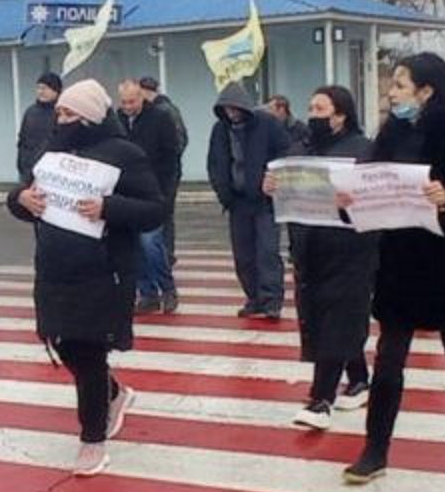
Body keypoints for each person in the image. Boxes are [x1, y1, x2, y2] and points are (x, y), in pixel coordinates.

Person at [343, 52, 445, 484]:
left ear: (426, 90)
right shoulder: (389, 134)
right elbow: (367, 188)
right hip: (399, 262)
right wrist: (347, 201)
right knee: (388, 359)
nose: (391, 93)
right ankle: (375, 450)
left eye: (399, 85)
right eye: (392, 85)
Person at [8, 79, 165, 476]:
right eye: (59, 112)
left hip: (102, 269)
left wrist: (109, 207)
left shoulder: (124, 154)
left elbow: (153, 209)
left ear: (91, 117)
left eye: (69, 113)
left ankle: (92, 439)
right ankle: (114, 393)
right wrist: (19, 200)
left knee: (89, 350)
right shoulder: (52, 151)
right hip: (55, 266)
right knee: (62, 344)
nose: (60, 120)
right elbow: (28, 194)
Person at [263, 87, 377, 429]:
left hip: (351, 251)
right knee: (321, 316)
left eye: (321, 108)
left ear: (340, 114)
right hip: (310, 250)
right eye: (310, 107)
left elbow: (376, 201)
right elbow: (289, 196)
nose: (313, 114)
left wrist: (353, 201)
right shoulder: (300, 150)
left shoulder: (363, 151)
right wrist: (272, 186)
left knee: (338, 318)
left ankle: (321, 399)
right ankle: (358, 378)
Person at [206, 82, 290, 319]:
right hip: (236, 200)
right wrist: (223, 191)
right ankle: (254, 297)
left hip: (264, 199)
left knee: (267, 251)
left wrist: (272, 177)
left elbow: (285, 150)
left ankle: (271, 299)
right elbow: (215, 162)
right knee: (243, 254)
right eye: (227, 109)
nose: (231, 113)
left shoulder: (267, 125)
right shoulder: (220, 130)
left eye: (235, 108)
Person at [117, 78, 181, 314]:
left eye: (132, 101)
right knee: (134, 246)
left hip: (154, 192)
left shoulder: (160, 118)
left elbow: (171, 156)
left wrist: (165, 193)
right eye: (124, 102)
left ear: (142, 97)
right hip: (127, 194)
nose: (128, 107)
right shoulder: (117, 120)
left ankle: (167, 288)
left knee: (151, 243)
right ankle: (147, 294)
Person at [140, 76, 187, 267]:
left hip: (164, 173)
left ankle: (165, 255)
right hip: (167, 172)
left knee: (163, 215)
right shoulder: (169, 108)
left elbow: (178, 142)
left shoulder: (163, 112)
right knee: (165, 215)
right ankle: (165, 254)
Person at [16, 72, 63, 178]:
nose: (41, 92)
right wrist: (22, 164)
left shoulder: (63, 112)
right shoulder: (30, 112)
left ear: (56, 91)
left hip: (54, 169)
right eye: (39, 88)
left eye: (45, 88)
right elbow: (22, 140)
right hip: (28, 169)